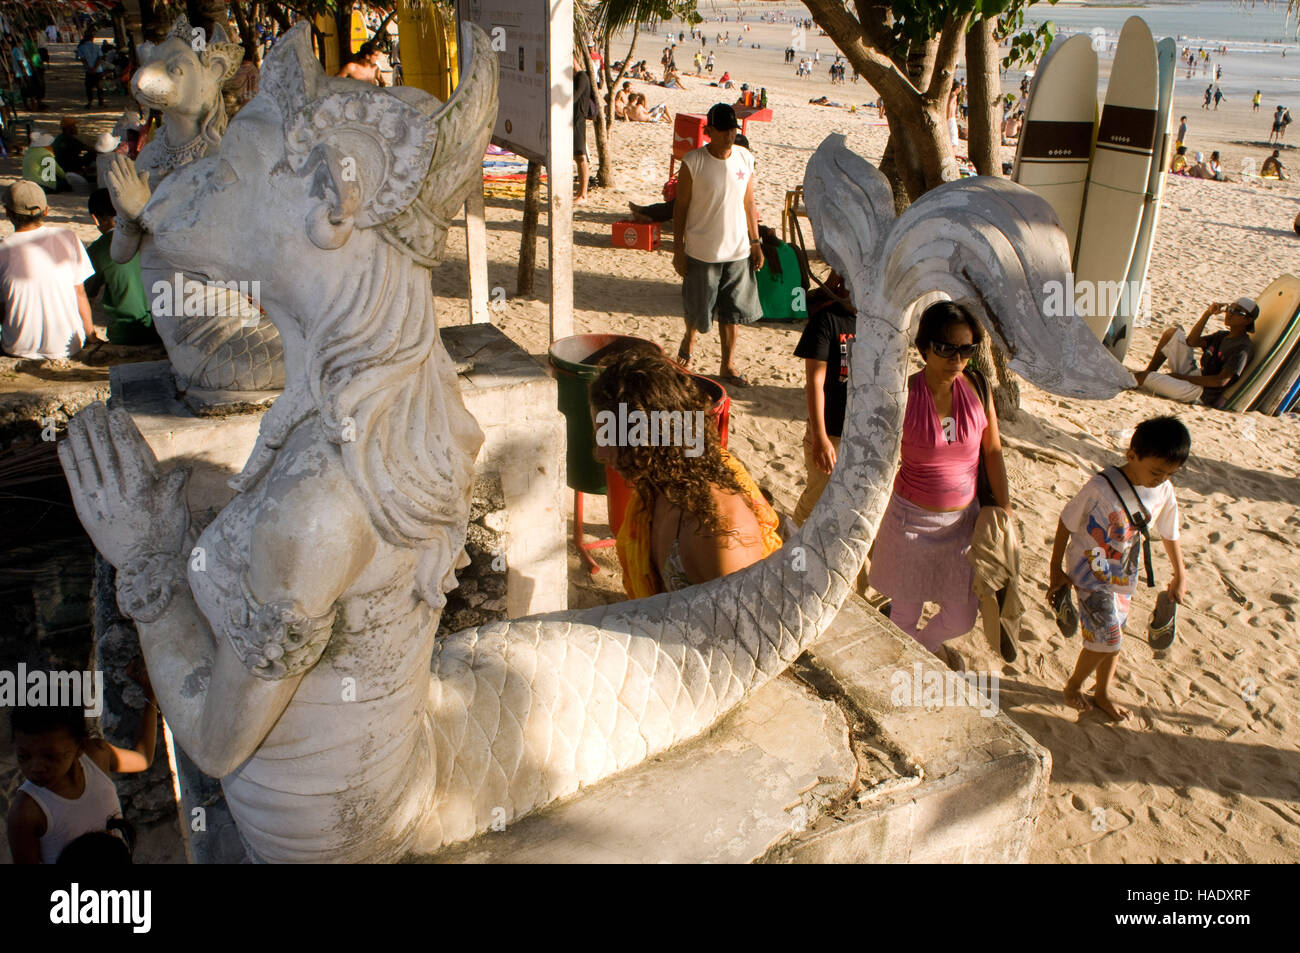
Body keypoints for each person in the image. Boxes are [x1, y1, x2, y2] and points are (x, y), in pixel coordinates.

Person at [866, 302, 1011, 663]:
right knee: (903, 617)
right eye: (947, 348)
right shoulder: (903, 395)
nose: (957, 358)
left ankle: (922, 650)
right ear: (924, 348)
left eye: (967, 349)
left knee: (961, 619)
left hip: (963, 526)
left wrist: (1004, 508)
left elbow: (992, 450)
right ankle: (907, 665)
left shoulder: (978, 387)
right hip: (911, 525)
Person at [590, 351, 781, 598]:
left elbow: (744, 630)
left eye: (608, 436)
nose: (599, 452)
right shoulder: (660, 482)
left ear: (649, 439)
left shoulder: (720, 535)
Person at [1050, 417, 1188, 720]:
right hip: (1089, 573)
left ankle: (1102, 693)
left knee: (1115, 637)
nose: (1160, 479)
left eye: (1168, 474)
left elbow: (1169, 531)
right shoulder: (1101, 487)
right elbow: (1066, 522)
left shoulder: (1163, 489)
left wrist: (1180, 574)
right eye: (1155, 471)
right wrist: (1055, 570)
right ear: (1132, 455)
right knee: (1109, 639)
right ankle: (1073, 686)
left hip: (1123, 575)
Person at [7, 673, 158, 863]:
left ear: (80, 747)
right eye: (24, 756)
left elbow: (142, 759)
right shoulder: (26, 812)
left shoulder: (97, 755)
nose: (35, 767)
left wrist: (150, 697)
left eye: (50, 756)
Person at [672, 103, 762, 387]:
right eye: (723, 130)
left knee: (731, 312)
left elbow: (749, 202)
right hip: (702, 251)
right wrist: (678, 249)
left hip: (737, 251)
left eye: (733, 130)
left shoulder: (744, 158)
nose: (729, 136)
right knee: (698, 309)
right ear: (709, 130)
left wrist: (756, 240)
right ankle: (689, 337)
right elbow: (681, 207)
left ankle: (727, 365)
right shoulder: (693, 162)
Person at [0, 181, 99, 360]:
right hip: (69, 345)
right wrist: (90, 334)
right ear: (46, 210)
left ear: (8, 213)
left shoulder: (2, 249)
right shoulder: (68, 237)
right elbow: (80, 292)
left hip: (17, 346)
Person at [793, 272, 855, 526]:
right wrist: (819, 438)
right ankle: (789, 545)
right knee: (816, 500)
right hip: (830, 432)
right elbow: (814, 383)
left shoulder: (879, 326)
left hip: (861, 432)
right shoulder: (826, 321)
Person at [1133, 298, 1258, 406]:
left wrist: (1182, 378)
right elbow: (1192, 342)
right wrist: (1207, 314)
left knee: (1141, 378)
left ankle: (1141, 378)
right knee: (1172, 334)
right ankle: (1149, 371)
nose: (1230, 314)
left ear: (1247, 320)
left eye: (1237, 312)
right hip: (1196, 376)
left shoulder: (1242, 348)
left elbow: (1220, 381)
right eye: (1229, 309)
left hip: (1201, 392)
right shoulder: (1223, 336)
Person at [84, 188, 159, 346]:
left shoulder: (100, 249)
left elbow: (84, 296)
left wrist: (89, 335)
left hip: (126, 334)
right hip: (162, 328)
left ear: (96, 219)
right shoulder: (152, 237)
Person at [573, 53, 594, 200]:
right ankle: (580, 191)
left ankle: (583, 193)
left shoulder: (581, 77)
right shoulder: (578, 77)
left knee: (581, 157)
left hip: (578, 122)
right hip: (574, 121)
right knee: (577, 157)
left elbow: (573, 97)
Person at [75, 29, 104, 108]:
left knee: (89, 87)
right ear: (92, 39)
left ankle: (90, 102)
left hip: (88, 71)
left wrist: (89, 68)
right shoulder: (97, 47)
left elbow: (82, 59)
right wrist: (95, 67)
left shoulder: (81, 48)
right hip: (98, 70)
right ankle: (101, 102)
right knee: (99, 87)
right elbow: (100, 57)